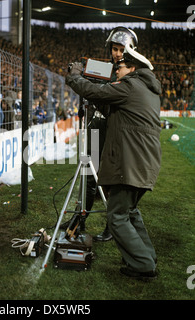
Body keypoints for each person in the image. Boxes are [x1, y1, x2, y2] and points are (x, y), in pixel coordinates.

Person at [66, 44, 161, 280]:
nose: (116, 70)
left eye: (120, 67)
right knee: (130, 212)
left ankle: (142, 265)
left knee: (117, 217)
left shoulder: (129, 86)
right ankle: (147, 256)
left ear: (133, 68)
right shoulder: (147, 89)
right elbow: (113, 109)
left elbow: (98, 93)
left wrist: (75, 77)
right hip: (144, 164)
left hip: (130, 163)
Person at [83, 27, 139, 241]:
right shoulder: (103, 68)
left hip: (116, 132)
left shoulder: (132, 73)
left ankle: (111, 226)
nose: (116, 53)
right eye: (114, 49)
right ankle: (81, 218)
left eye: (121, 49)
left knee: (111, 181)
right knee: (88, 174)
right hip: (96, 128)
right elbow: (84, 76)